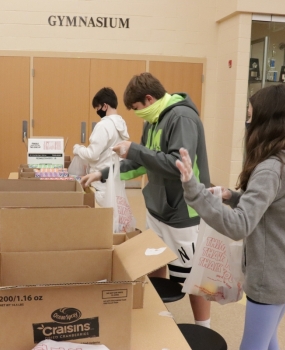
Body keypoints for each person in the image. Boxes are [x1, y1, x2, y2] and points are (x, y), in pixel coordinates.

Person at [80, 72, 211, 328]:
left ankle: (203, 328)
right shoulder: (153, 119)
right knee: (153, 261)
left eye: (138, 108)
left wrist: (135, 150)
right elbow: (142, 161)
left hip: (184, 212)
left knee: (192, 276)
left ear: (149, 99)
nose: (137, 113)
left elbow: (177, 165)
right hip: (158, 208)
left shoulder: (182, 117)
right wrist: (103, 173)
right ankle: (157, 317)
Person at [176, 84, 285, 350]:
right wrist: (233, 196)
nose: (247, 123)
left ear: (266, 120)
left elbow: (239, 225)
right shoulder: (282, 160)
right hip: (280, 274)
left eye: (250, 115)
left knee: (253, 345)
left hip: (269, 279)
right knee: (268, 339)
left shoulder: (270, 168)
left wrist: (193, 189)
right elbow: (273, 206)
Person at [73, 87, 129, 206]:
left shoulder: (103, 126)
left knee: (104, 218)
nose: (97, 111)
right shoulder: (121, 124)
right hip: (117, 179)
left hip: (101, 181)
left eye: (98, 107)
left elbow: (92, 155)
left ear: (105, 106)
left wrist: (78, 149)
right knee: (114, 215)